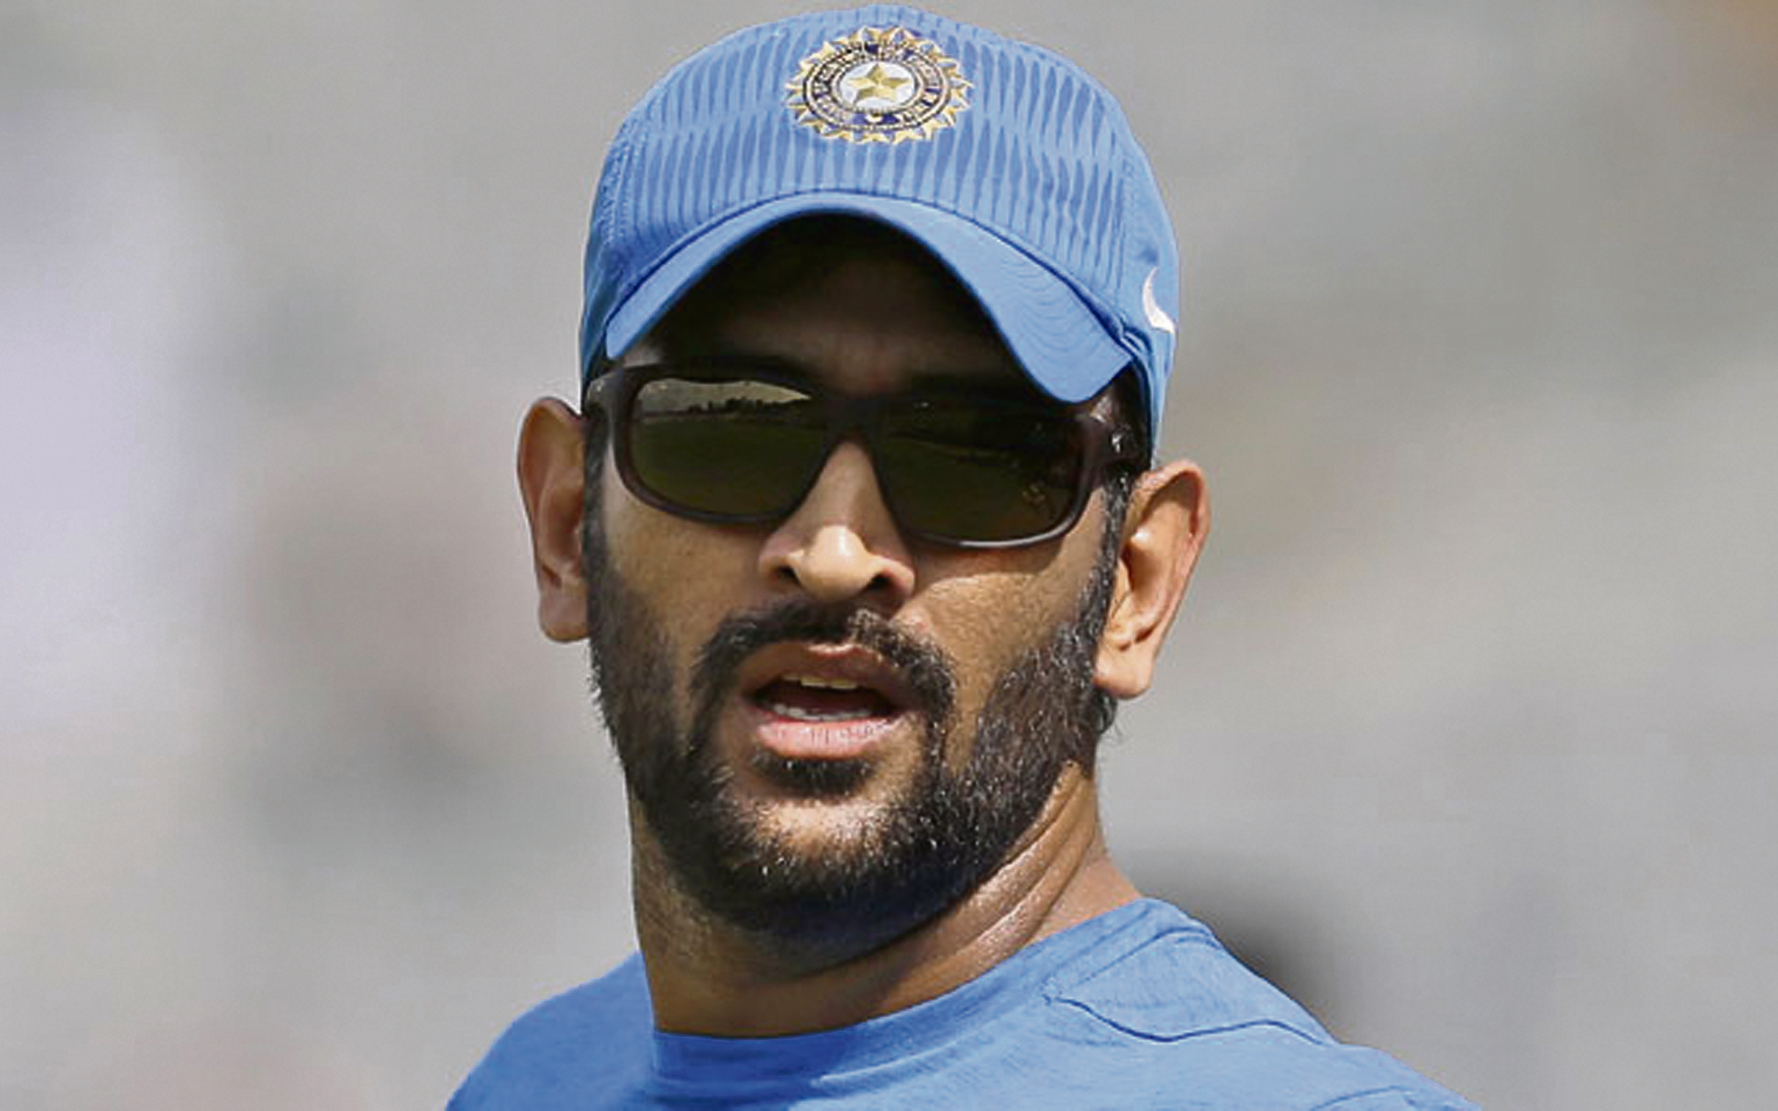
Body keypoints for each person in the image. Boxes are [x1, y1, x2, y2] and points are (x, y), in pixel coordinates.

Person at [453, 6, 1474, 1108]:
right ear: (566, 523)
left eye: (979, 457)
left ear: (1136, 584)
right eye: (731, 426)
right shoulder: (535, 1080)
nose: (836, 552)